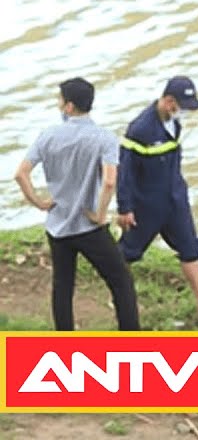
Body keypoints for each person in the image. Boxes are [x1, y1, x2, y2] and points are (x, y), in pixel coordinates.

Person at [13, 78, 140, 331]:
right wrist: (100, 214)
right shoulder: (104, 138)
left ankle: (65, 341)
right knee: (121, 282)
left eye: (60, 100)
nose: (59, 105)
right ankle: (131, 338)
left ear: (69, 106)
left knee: (63, 285)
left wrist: (40, 203)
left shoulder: (47, 136)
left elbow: (21, 174)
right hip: (89, 226)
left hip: (58, 226)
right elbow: (109, 181)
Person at [117, 77, 198, 325]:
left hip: (175, 200)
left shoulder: (173, 123)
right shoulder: (140, 130)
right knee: (126, 254)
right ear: (169, 101)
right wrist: (125, 207)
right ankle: (123, 302)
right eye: (182, 106)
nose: (184, 112)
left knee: (190, 248)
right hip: (147, 205)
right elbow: (125, 172)